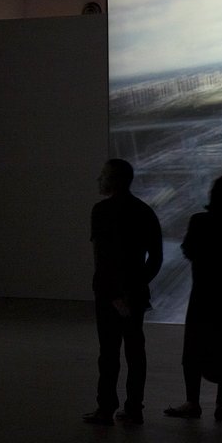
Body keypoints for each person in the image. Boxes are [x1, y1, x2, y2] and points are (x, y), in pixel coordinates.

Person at [165, 175, 222, 422]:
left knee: (195, 348)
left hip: (204, 295)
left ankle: (192, 402)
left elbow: (189, 250)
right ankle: (221, 406)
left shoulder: (199, 221)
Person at [84, 158, 163, 425]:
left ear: (113, 180)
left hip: (108, 294)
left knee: (108, 353)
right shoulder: (144, 211)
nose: (99, 180)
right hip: (135, 294)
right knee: (135, 351)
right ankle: (134, 408)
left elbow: (102, 259)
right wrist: (135, 287)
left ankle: (105, 408)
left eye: (103, 175)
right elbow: (156, 258)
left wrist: (113, 293)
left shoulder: (101, 211)